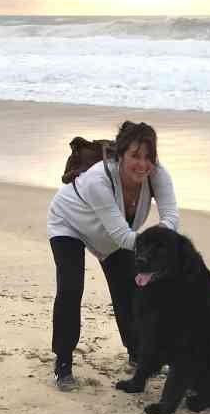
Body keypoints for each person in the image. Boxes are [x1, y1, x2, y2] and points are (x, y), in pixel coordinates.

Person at [46, 121, 179, 391]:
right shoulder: (98, 179)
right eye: (135, 156)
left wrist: (163, 239)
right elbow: (123, 237)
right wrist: (159, 249)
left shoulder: (157, 174)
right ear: (120, 155)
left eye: (148, 157)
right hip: (69, 223)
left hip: (110, 236)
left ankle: (137, 353)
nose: (142, 165)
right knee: (71, 287)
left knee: (131, 290)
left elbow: (171, 216)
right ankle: (63, 362)